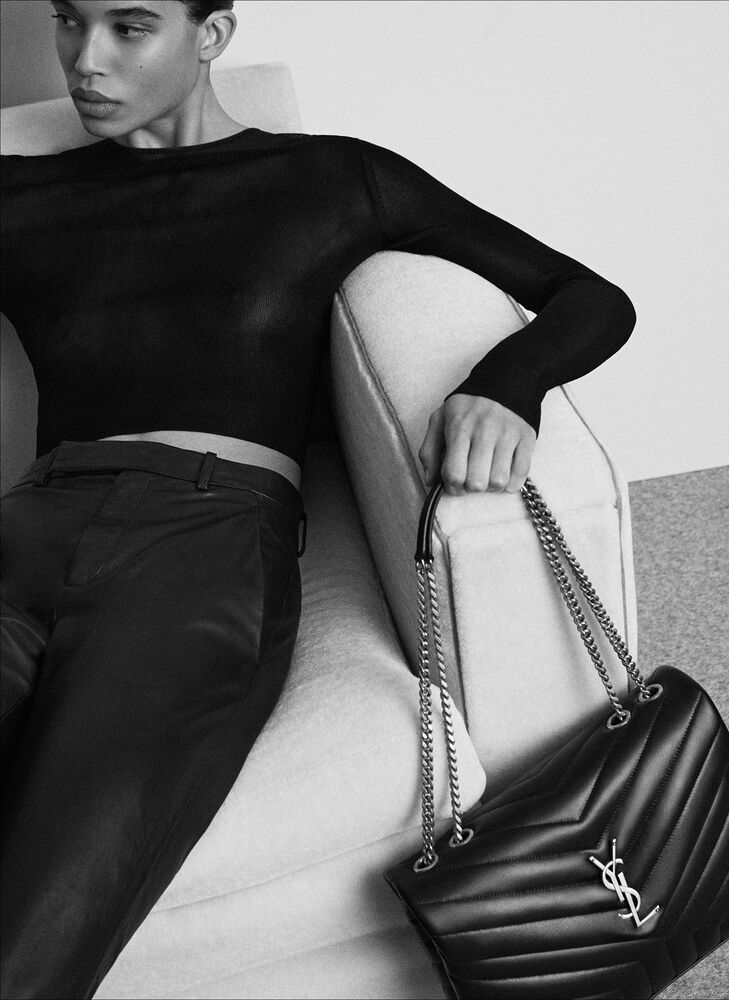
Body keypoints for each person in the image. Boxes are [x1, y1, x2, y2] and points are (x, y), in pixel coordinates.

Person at [0, 1, 637, 996]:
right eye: (69, 23)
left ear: (212, 36)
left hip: (199, 549)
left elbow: (589, 296)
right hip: (25, 527)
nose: (85, 60)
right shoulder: (21, 193)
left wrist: (507, 383)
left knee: (31, 937)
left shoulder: (330, 179)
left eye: (129, 28)